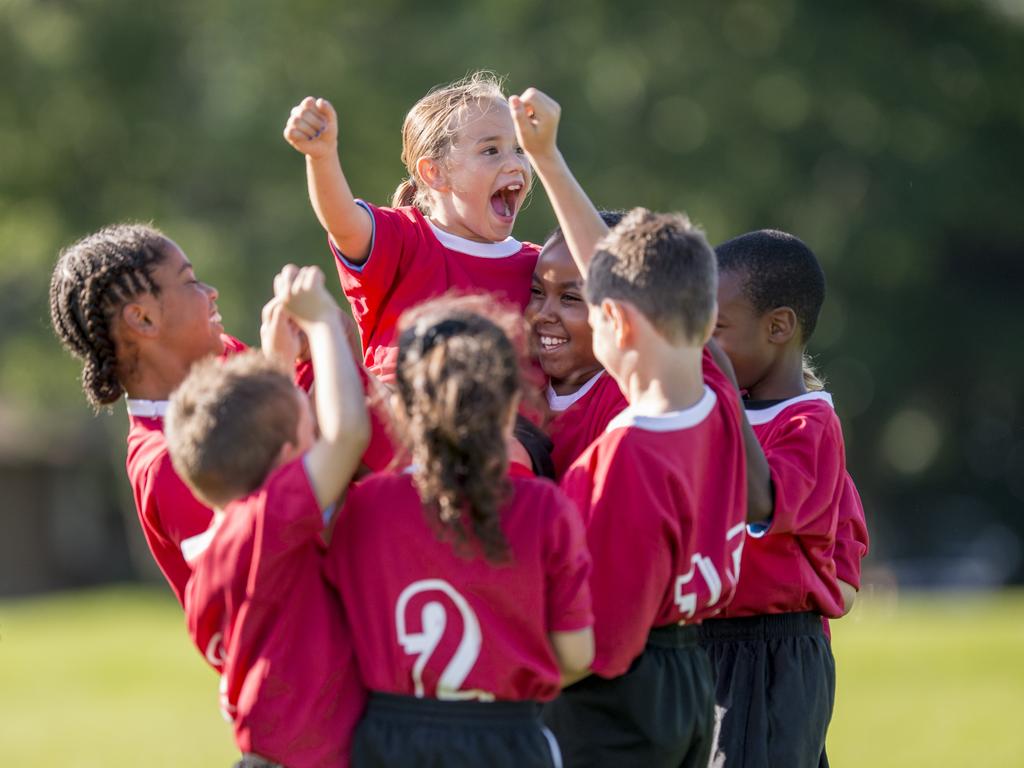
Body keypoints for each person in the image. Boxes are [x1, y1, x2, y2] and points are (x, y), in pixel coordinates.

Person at [325, 298, 594, 768]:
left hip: (391, 737)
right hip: (509, 737)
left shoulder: (368, 506)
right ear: (512, 402)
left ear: (403, 408)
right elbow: (576, 653)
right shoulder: (545, 509)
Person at [165, 265, 369, 768]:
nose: (314, 420)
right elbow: (347, 438)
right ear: (284, 458)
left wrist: (275, 361)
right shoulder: (266, 523)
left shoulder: (221, 542)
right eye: (306, 418)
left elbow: (259, 445)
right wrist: (323, 324)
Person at [698, 229, 859, 768]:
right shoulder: (719, 411)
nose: (702, 347)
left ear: (779, 327)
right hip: (705, 642)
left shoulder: (810, 422)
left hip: (769, 649)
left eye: (715, 329)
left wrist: (718, 397)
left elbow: (760, 499)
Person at [283, 71, 539, 383]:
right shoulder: (405, 237)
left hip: (506, 430)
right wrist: (321, 157)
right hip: (403, 424)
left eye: (520, 149)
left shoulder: (542, 266)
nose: (515, 163)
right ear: (434, 173)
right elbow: (344, 223)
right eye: (490, 150)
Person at [49, 223, 244, 604]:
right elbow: (269, 567)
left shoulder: (227, 359)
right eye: (190, 282)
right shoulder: (168, 464)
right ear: (143, 320)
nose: (210, 292)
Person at [525, 212, 627, 479]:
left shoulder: (627, 399)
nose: (543, 313)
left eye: (569, 298)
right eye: (536, 292)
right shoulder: (518, 379)